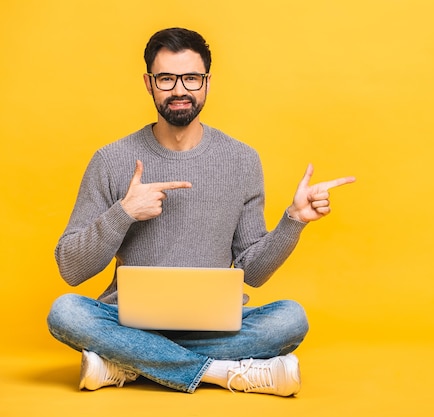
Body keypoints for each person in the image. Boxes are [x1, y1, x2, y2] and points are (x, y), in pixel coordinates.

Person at [46, 27, 355, 397]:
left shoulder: (241, 160)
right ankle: (222, 373)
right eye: (166, 78)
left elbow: (252, 273)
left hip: (213, 327)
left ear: (207, 82)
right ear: (149, 83)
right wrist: (123, 212)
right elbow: (70, 268)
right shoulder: (111, 160)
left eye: (191, 78)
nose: (180, 90)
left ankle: (128, 364)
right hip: (128, 322)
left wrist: (294, 220)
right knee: (66, 312)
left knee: (290, 319)